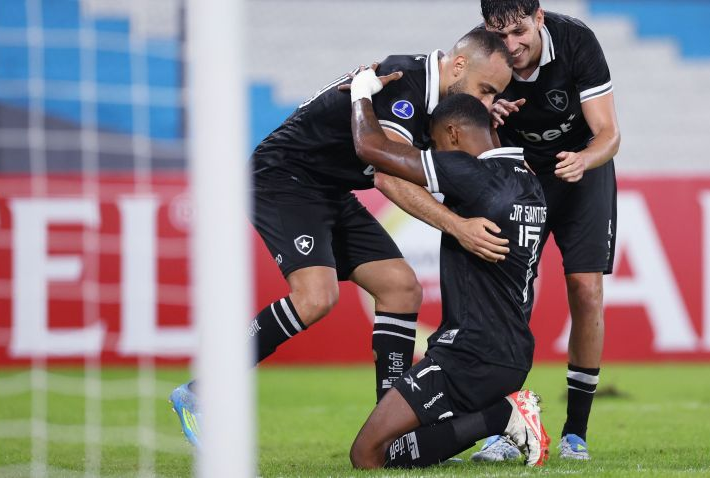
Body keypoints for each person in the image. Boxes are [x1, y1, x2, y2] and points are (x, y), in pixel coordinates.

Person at [169, 29, 515, 448]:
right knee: (315, 297)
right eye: (485, 90)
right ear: (458, 65)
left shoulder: (436, 102)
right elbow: (389, 176)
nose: (485, 103)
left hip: (329, 189)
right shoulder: (404, 82)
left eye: (493, 96)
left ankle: (392, 434)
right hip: (283, 177)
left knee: (401, 288)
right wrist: (457, 226)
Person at [345, 75, 550, 469]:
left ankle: (503, 417)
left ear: (454, 134)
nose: (435, 153)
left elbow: (371, 149)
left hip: (469, 355)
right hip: (509, 353)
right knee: (405, 447)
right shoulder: (529, 182)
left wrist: (361, 93)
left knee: (367, 456)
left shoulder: (470, 174)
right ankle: (495, 417)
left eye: (436, 144)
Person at [472, 0, 621, 461]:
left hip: (582, 172)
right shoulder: (480, 52)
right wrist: (485, 116)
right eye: (500, 36)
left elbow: (609, 135)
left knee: (586, 290)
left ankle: (576, 433)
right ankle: (506, 426)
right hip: (520, 176)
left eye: (519, 31)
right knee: (512, 296)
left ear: (539, 17)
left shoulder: (577, 42)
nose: (511, 46)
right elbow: (462, 130)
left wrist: (583, 160)